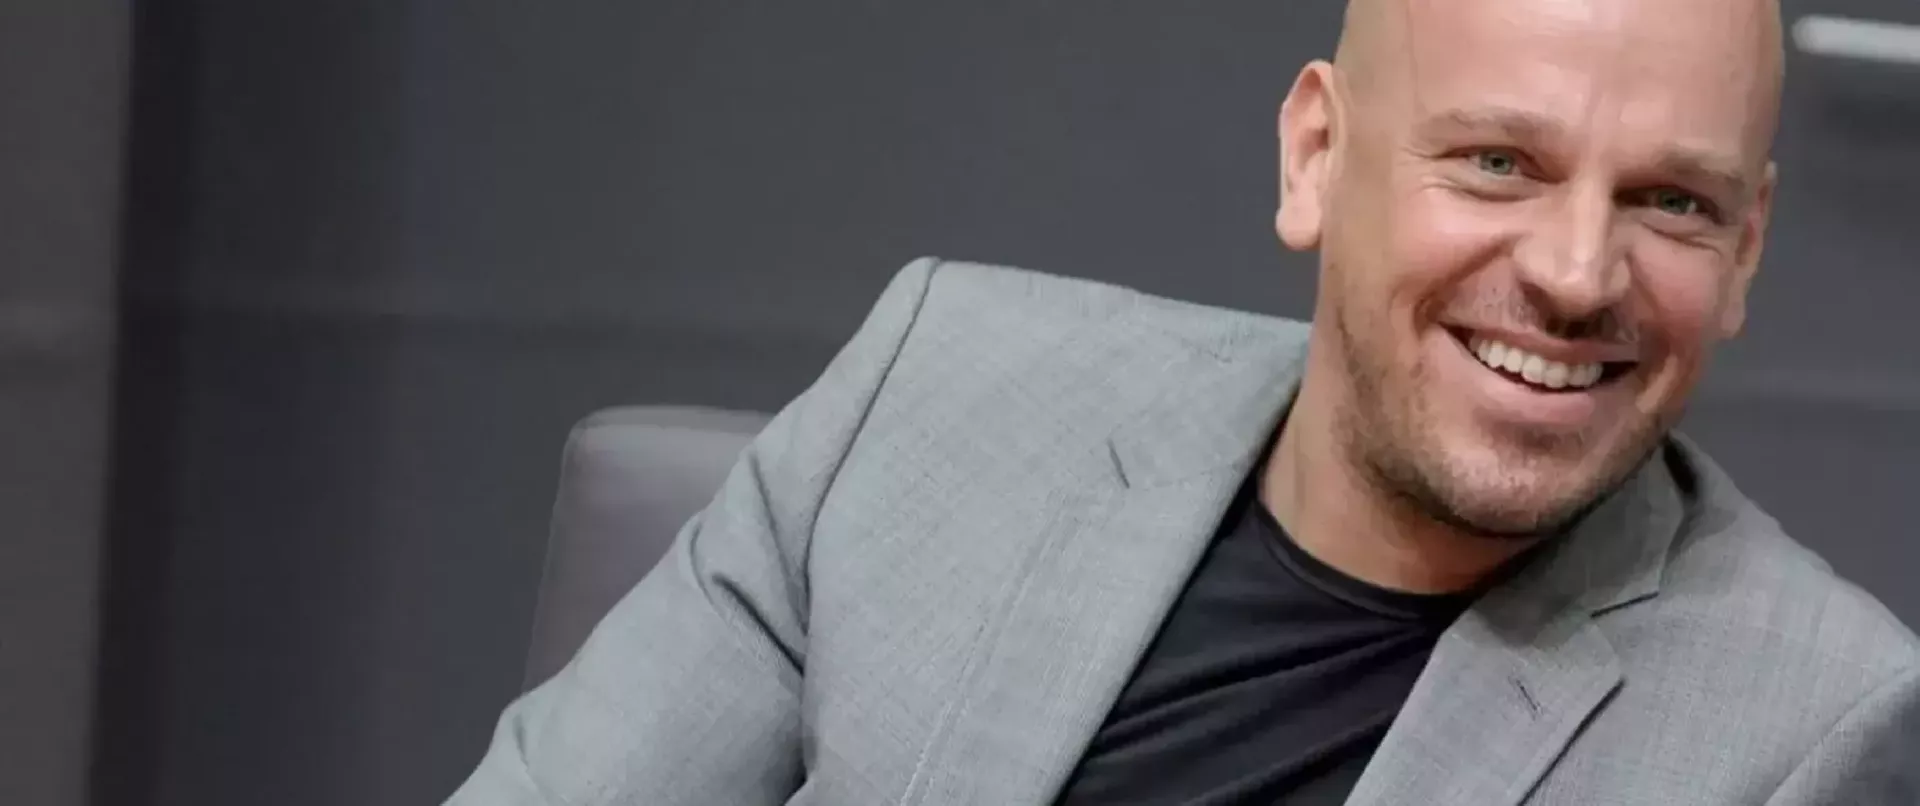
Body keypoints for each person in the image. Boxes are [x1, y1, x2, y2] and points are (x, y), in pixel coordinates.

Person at [451, 0, 1919, 803]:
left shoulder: (1814, 731)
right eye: (1496, 164)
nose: (1579, 272)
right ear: (1316, 157)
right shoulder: (942, 386)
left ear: (1745, 251)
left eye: (1671, 201)